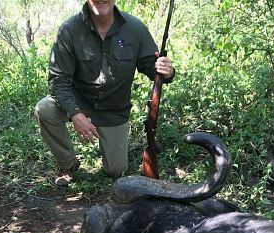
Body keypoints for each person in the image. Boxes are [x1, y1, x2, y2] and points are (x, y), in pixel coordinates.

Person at [35, 0, 175, 186]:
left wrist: (167, 71)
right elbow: (57, 80)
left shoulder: (135, 28)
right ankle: (67, 164)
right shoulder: (69, 29)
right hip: (80, 102)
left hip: (114, 110)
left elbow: (152, 67)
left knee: (116, 171)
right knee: (44, 109)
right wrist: (75, 113)